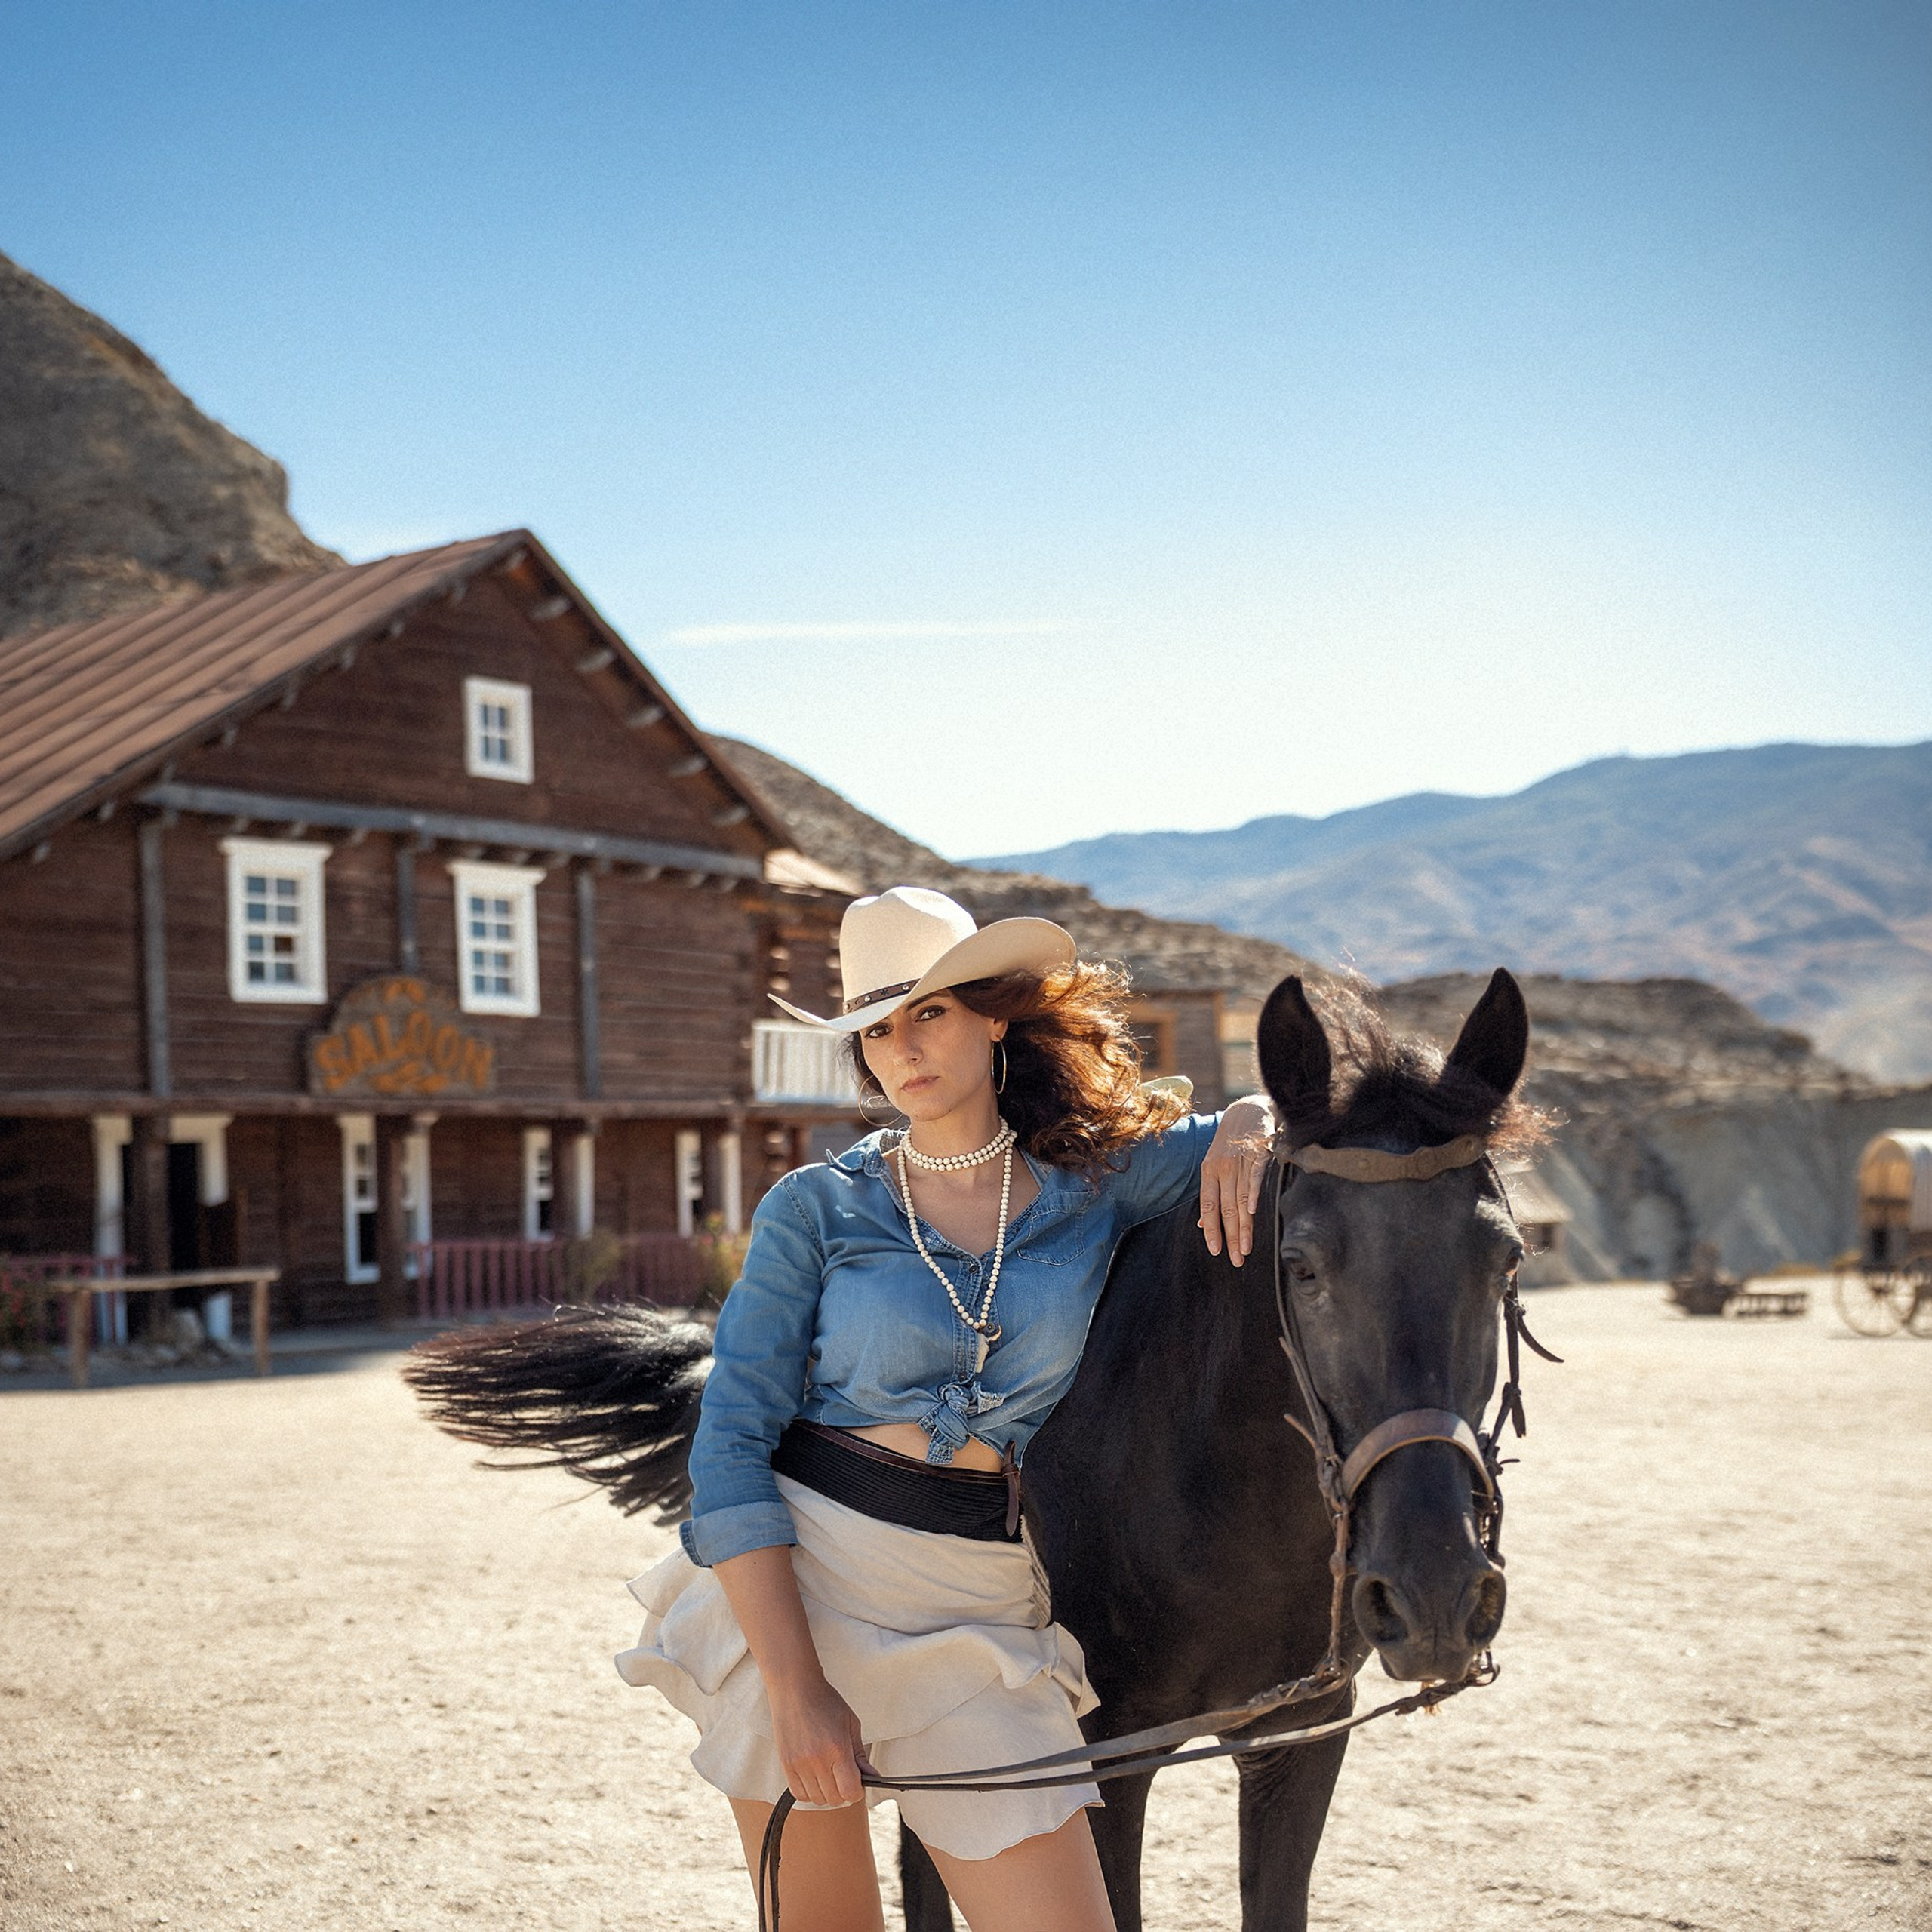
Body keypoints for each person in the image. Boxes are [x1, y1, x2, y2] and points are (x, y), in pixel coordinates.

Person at [617, 886, 1275, 1931]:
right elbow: (732, 1444)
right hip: (805, 1580)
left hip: (977, 1593)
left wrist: (1250, 1117)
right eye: (877, 1029)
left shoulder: (1091, 1184)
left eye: (929, 1012)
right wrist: (796, 1691)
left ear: (994, 1015)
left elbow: (1241, 1131)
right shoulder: (816, 1207)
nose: (902, 1049)